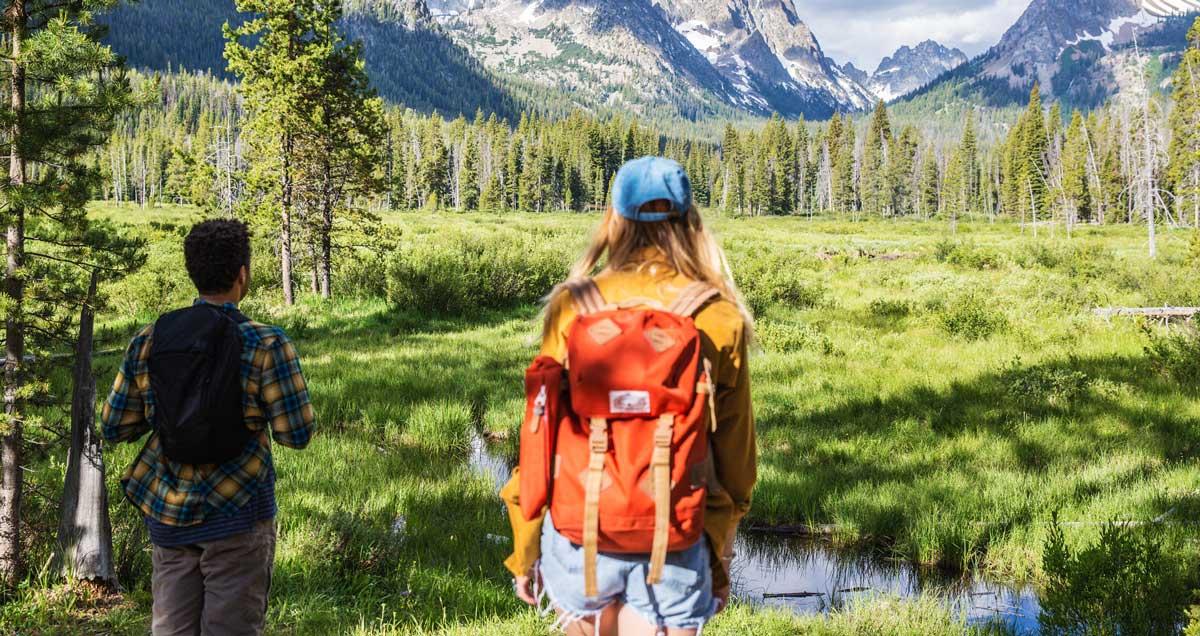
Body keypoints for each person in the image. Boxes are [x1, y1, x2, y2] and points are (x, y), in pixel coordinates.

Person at [501, 157, 756, 636]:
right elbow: (736, 463)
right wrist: (718, 552)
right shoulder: (719, 316)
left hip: (580, 541)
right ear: (690, 223)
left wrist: (526, 548)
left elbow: (540, 440)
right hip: (676, 543)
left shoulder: (574, 305)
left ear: (615, 221)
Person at [102, 219, 315, 636]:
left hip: (168, 515)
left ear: (192, 274)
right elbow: (297, 434)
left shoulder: (150, 339)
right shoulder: (268, 344)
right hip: (239, 515)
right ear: (242, 275)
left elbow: (114, 427)